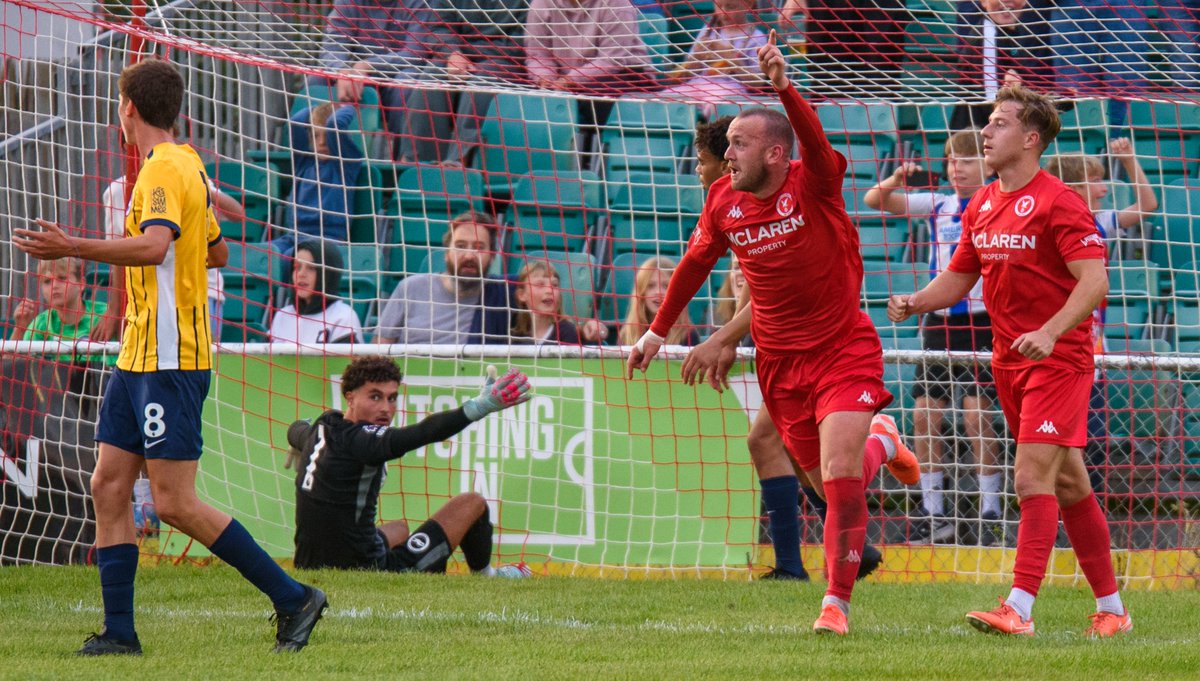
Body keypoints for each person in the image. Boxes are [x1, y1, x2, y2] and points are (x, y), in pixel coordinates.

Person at [13, 58, 326, 655]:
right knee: (108, 485)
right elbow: (218, 253)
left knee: (173, 503)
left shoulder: (161, 169)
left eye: (117, 101)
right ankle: (120, 634)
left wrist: (70, 244)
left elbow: (157, 245)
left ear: (127, 108)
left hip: (169, 360)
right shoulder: (189, 165)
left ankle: (295, 598)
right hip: (137, 356)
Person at [627, 31, 919, 635]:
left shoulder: (813, 182)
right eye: (726, 144)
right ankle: (884, 441)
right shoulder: (721, 202)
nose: (726, 154)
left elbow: (812, 137)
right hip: (779, 364)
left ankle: (834, 605)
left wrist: (785, 89)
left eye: (738, 143)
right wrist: (656, 332)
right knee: (834, 480)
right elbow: (693, 265)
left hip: (842, 348)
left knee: (838, 478)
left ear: (776, 155)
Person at [887, 84, 1130, 638]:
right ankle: (1114, 611)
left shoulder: (1060, 201)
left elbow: (1094, 283)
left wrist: (1049, 331)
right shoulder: (983, 204)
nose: (987, 132)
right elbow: (960, 276)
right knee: (1068, 484)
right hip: (1009, 362)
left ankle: (1018, 608)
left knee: (1029, 477)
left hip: (1058, 359)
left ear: (1030, 138)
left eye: (998, 123)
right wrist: (916, 302)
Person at [692, 115, 882, 582]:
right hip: (781, 354)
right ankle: (845, 549)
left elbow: (774, 295)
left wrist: (725, 336)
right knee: (800, 457)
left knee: (786, 448)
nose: (700, 170)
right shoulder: (730, 206)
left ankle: (800, 564)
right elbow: (755, 291)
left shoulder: (772, 197)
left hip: (818, 347)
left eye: (704, 161)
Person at [865, 130, 1005, 546]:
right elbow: (876, 200)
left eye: (965, 160)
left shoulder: (997, 202)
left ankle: (990, 512)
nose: (956, 168)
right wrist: (897, 177)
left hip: (982, 321)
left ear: (987, 165)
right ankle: (932, 511)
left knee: (976, 418)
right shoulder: (940, 204)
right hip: (940, 321)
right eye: (950, 161)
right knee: (926, 415)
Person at [287, 355, 533, 577]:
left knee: (400, 529)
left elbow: (296, 429)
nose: (386, 408)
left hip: (308, 564)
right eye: (375, 396)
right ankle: (488, 576)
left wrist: (300, 444)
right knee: (473, 503)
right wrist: (477, 408)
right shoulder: (363, 440)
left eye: (392, 398)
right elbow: (422, 433)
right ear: (350, 396)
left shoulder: (324, 425)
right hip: (364, 570)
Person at [1044, 139, 1159, 493]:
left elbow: (1148, 204)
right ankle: (1059, 502)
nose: (1104, 188)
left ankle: (1086, 503)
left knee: (1092, 435)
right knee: (1057, 436)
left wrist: (1128, 159)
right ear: (1074, 187)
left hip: (1092, 349)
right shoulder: (1046, 223)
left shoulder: (1100, 221)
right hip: (1053, 347)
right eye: (1096, 180)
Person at [376, 210, 513, 345]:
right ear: (447, 254)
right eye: (460, 246)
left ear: (492, 256)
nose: (469, 255)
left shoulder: (504, 293)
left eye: (479, 247)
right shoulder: (410, 289)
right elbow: (378, 352)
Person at [525, 0, 654, 139]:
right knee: (526, 95)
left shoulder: (617, 4)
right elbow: (537, 54)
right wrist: (545, 79)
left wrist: (570, 80)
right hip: (565, 80)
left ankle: (600, 152)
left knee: (594, 97)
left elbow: (612, 60)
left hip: (625, 73)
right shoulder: (541, 3)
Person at [950, 0, 1055, 130]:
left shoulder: (1021, 33)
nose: (1006, 1)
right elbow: (990, 99)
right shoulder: (987, 36)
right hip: (976, 132)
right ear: (983, 2)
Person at [276, 102, 364, 252]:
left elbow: (335, 124)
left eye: (327, 136)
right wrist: (317, 111)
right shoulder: (304, 163)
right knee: (263, 253)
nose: (322, 142)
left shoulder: (345, 165)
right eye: (316, 136)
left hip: (328, 239)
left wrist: (345, 107)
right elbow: (296, 122)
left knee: (290, 258)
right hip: (294, 236)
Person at [661, 0, 769, 106]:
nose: (723, 12)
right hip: (698, 85)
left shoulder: (756, 38)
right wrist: (697, 58)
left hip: (730, 90)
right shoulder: (708, 31)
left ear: (748, 4)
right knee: (663, 99)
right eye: (718, 6)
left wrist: (732, 60)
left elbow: (758, 83)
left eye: (730, 7)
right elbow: (685, 75)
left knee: (716, 102)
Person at [11, 257, 112, 365]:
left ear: (81, 284)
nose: (54, 286)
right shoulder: (41, 325)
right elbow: (11, 368)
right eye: (47, 281)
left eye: (62, 278)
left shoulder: (106, 315)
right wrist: (19, 328)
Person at [269, 239, 364, 344]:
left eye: (311, 268)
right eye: (297, 267)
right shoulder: (282, 316)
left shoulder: (343, 318)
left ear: (328, 274)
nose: (301, 274)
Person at [510, 260, 607, 345]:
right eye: (540, 285)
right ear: (521, 295)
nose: (549, 290)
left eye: (554, 285)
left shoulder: (567, 332)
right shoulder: (516, 335)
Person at [617, 256, 701, 348]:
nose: (658, 292)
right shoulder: (627, 332)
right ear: (641, 292)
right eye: (651, 285)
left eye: (666, 286)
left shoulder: (689, 335)